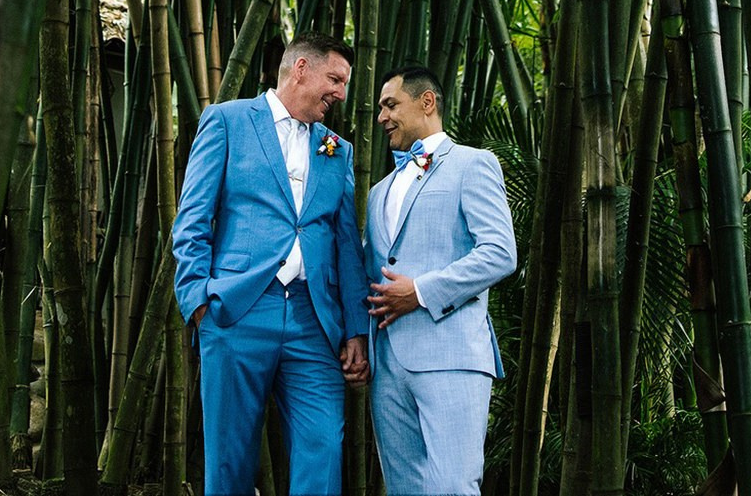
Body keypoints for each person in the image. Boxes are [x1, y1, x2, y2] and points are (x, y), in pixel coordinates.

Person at [173, 35, 371, 496]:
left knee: (323, 448)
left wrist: (356, 329)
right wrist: (199, 300)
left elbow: (345, 243)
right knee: (229, 459)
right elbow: (192, 219)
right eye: (335, 79)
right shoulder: (227, 120)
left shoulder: (337, 149)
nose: (341, 93)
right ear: (301, 68)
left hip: (314, 319)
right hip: (238, 310)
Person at [364, 64, 518, 496]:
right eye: (380, 108)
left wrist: (421, 291)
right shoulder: (379, 191)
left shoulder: (473, 164)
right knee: (404, 488)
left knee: (452, 486)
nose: (381, 117)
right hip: (387, 361)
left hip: (451, 352)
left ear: (426, 102)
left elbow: (499, 253)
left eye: (390, 104)